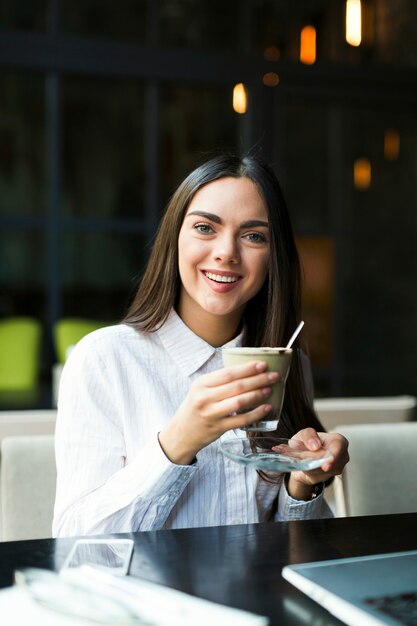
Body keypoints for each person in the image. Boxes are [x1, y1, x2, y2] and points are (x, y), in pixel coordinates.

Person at [53, 153, 349, 537]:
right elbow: (74, 544)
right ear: (174, 239)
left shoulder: (285, 360)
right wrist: (181, 439)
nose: (227, 251)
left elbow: (297, 553)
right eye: (206, 228)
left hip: (257, 594)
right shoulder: (104, 360)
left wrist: (303, 484)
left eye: (254, 235)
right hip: (148, 596)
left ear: (274, 258)